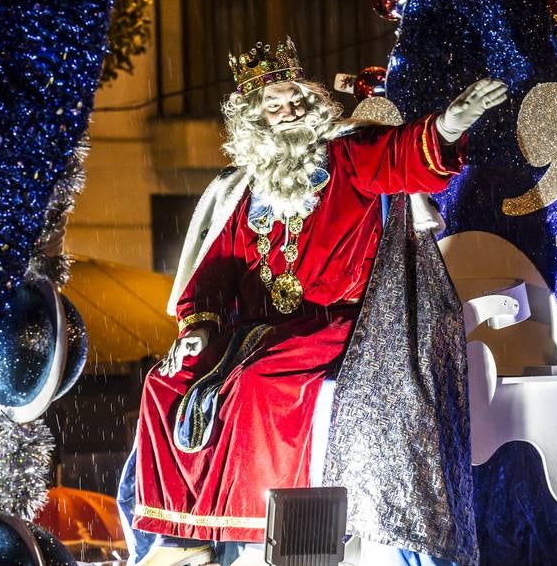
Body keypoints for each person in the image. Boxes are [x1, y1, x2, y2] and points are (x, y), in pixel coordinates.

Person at [119, 37, 507, 566]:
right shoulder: (242, 188)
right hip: (255, 333)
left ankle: (261, 532)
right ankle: (184, 536)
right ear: (256, 121)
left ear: (311, 99)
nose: (288, 112)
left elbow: (402, 159)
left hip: (340, 326)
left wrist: (449, 126)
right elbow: (216, 270)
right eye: (273, 106)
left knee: (256, 384)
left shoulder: (348, 157)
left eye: (295, 98)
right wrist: (199, 327)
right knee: (165, 384)